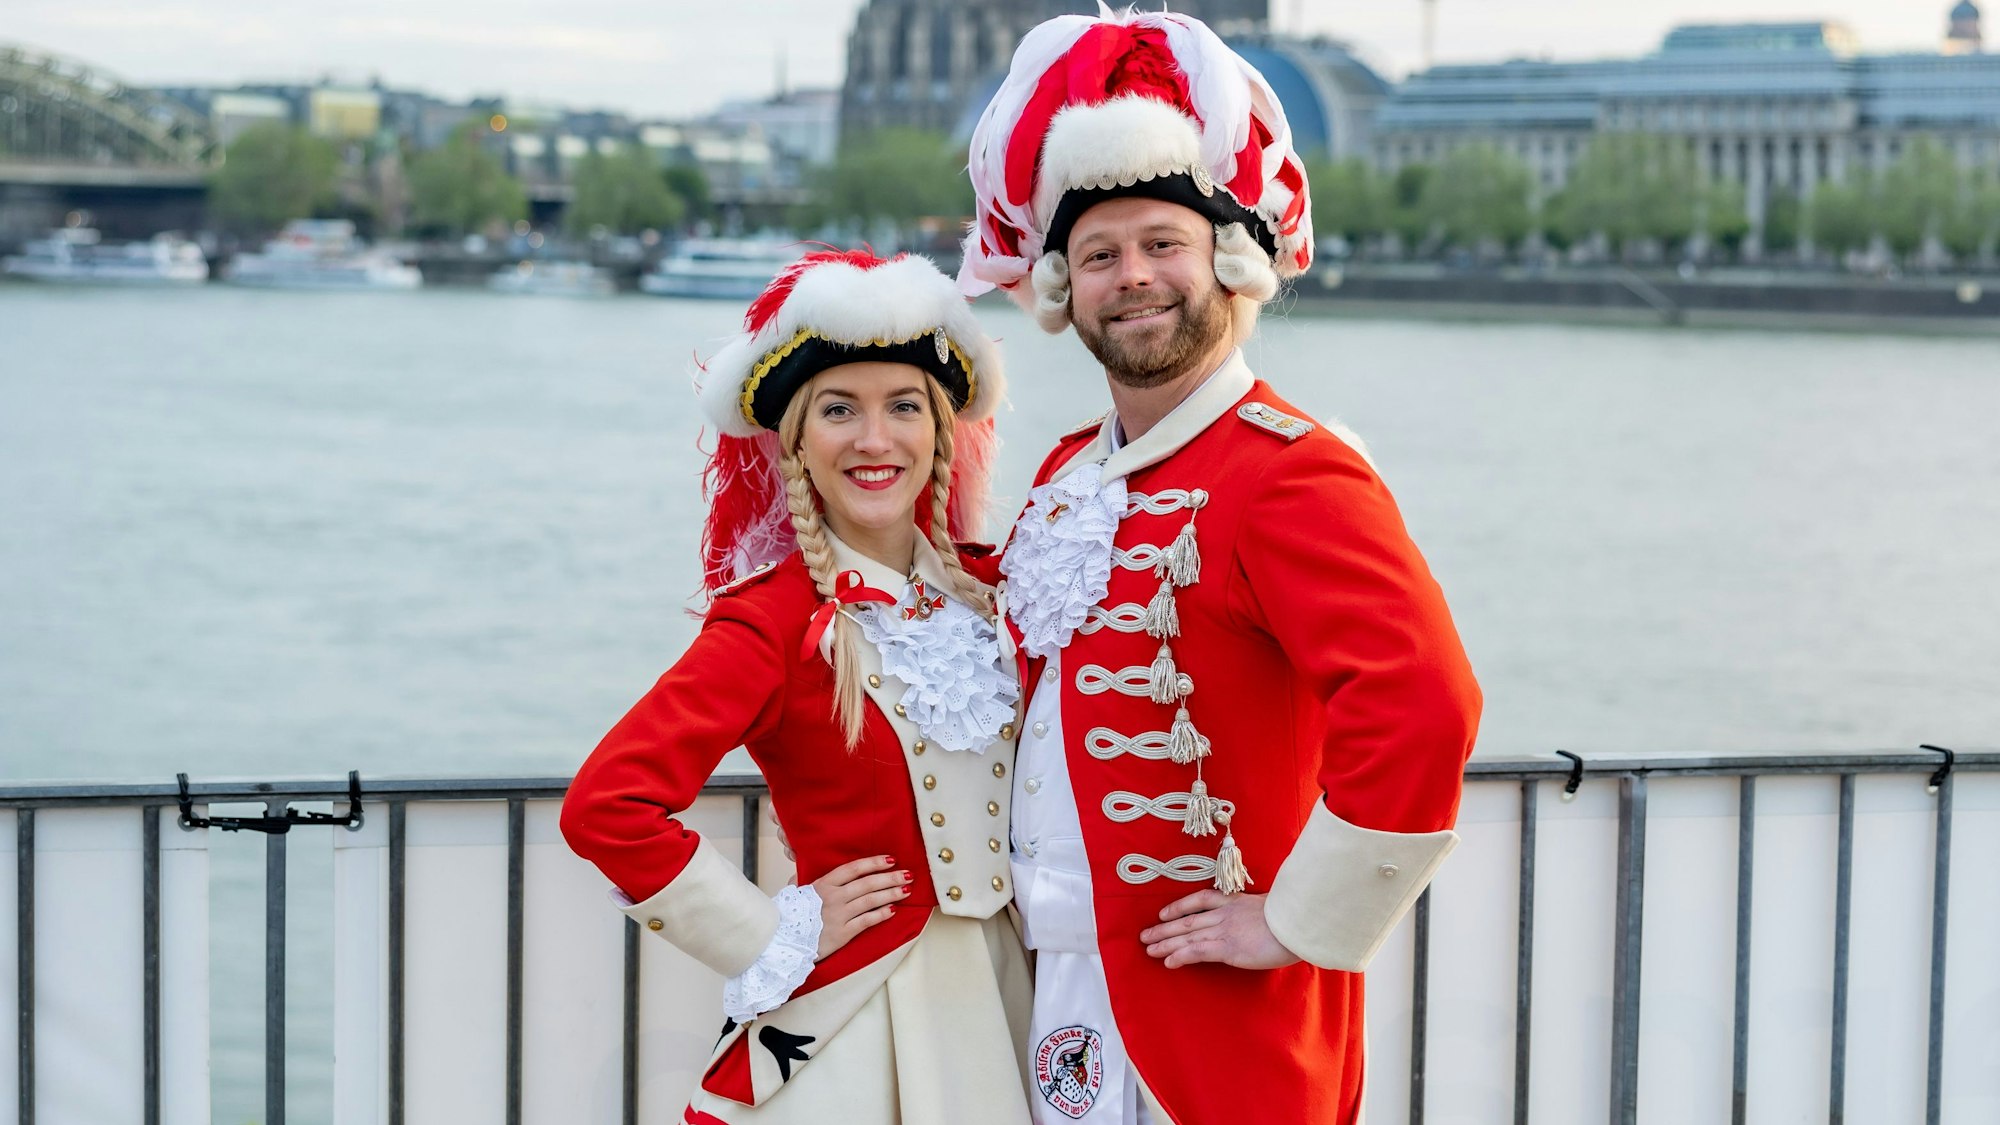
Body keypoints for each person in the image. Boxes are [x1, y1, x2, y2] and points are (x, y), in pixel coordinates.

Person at [958, 11, 1483, 1124]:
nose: (1132, 277)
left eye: (1163, 244)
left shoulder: (1292, 470)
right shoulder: (1064, 472)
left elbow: (1424, 705)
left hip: (1214, 1008)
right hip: (1056, 991)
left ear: (1227, 263)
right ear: (1063, 289)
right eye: (1098, 256)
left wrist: (1296, 922)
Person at [561, 249, 1033, 1124]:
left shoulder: (1000, 589)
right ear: (798, 442)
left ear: (939, 431)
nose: (874, 439)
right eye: (839, 409)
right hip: (859, 1015)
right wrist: (774, 929)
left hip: (1021, 997)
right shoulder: (769, 620)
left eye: (903, 406)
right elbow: (607, 805)